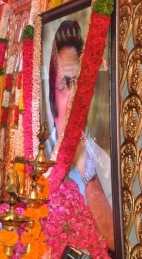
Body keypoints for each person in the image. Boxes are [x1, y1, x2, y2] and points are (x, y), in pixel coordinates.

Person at [45, 20, 114, 249]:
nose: (74, 95)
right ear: (51, 95)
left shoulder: (104, 160)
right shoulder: (38, 157)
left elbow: (117, 243)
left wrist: (85, 170)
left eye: (78, 83)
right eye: (64, 85)